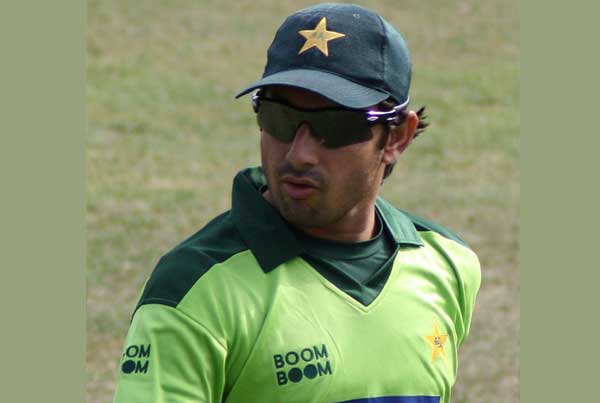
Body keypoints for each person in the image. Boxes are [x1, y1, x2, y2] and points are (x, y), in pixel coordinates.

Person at [113, 3, 481, 403]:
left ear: (396, 137)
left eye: (334, 125)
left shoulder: (447, 264)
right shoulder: (194, 290)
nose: (299, 154)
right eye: (279, 118)